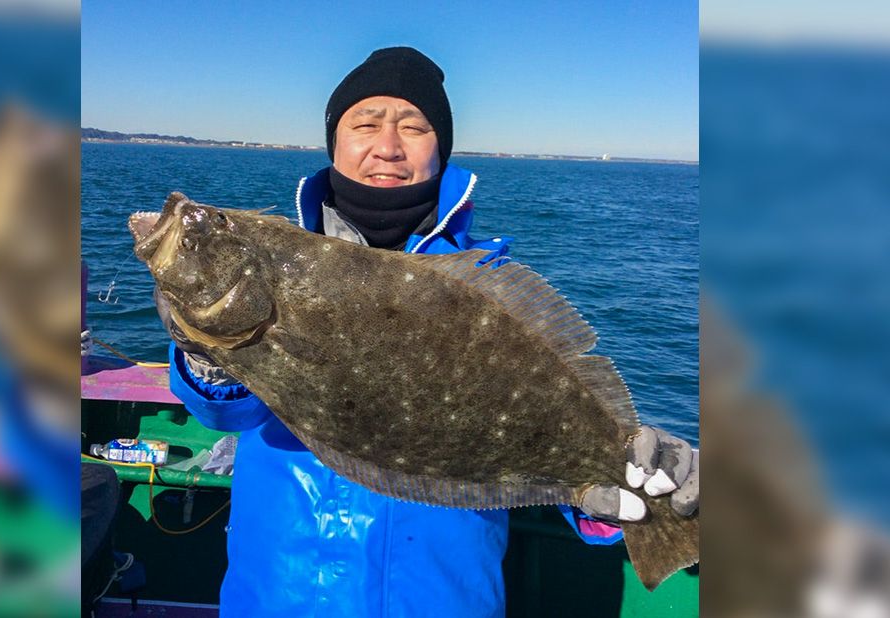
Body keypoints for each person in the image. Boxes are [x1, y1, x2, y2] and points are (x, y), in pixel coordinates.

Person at [159, 47, 698, 617]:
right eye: (364, 124)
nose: (387, 147)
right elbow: (226, 413)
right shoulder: (279, 259)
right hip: (280, 593)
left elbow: (539, 444)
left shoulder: (484, 282)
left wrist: (609, 494)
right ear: (334, 143)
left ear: (440, 149)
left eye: (412, 127)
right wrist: (204, 352)